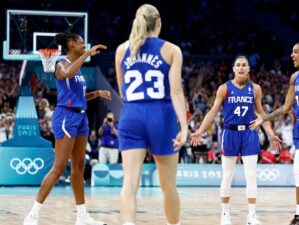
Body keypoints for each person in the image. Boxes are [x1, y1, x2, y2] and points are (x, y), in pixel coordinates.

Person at [24, 32, 110, 225]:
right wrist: (87, 55)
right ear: (71, 44)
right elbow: (66, 73)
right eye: (81, 43)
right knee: (59, 167)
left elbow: (79, 97)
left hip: (80, 116)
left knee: (78, 167)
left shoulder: (78, 72)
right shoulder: (61, 64)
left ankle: (82, 217)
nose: (84, 45)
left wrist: (97, 93)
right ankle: (32, 215)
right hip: (65, 117)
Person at [115, 4, 188, 225]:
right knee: (168, 186)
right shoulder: (171, 49)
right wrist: (184, 127)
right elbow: (176, 91)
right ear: (158, 23)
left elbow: (122, 92)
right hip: (161, 115)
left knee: (129, 183)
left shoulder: (121, 50)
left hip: (132, 114)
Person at [191, 56, 280, 225]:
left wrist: (270, 133)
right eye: (238, 65)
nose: (241, 68)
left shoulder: (255, 89)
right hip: (230, 134)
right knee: (227, 176)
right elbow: (212, 112)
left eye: (244, 65)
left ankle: (252, 216)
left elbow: (262, 115)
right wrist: (200, 131)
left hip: (249, 133)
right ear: (233, 69)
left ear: (248, 69)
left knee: (251, 176)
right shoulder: (224, 88)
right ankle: (225, 215)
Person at [250, 41, 299, 225]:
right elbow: (285, 107)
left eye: (295, 52)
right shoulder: (294, 77)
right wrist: (265, 118)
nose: (292, 55)